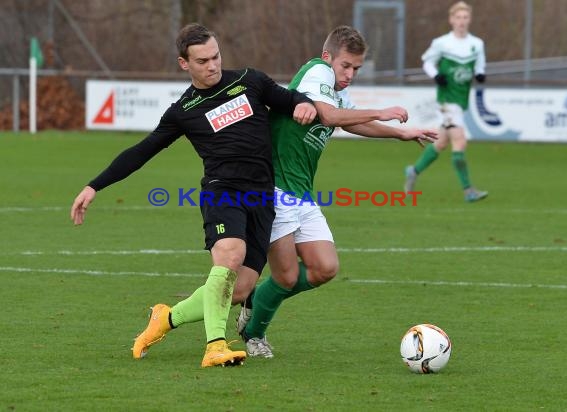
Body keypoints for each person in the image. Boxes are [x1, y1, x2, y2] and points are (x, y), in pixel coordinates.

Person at [70, 23, 317, 368]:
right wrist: (93, 185)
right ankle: (216, 346)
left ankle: (165, 318)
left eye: (215, 56)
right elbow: (141, 152)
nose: (212, 65)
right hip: (222, 192)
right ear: (184, 64)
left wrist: (304, 103)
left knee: (241, 289)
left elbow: (289, 99)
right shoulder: (184, 111)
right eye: (202, 61)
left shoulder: (250, 80)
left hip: (261, 198)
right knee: (231, 254)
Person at [236, 25, 439, 358]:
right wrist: (381, 110)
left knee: (324, 269)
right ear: (328, 57)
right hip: (273, 187)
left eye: (356, 68)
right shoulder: (317, 71)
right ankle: (254, 333)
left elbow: (348, 120)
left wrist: (399, 134)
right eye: (345, 66)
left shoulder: (335, 89)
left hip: (301, 191)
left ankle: (256, 299)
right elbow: (329, 116)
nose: (350, 74)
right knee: (285, 277)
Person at [404, 1, 488, 202]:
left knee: (441, 143)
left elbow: (480, 65)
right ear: (451, 20)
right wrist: (435, 75)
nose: (461, 21)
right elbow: (427, 62)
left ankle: (413, 171)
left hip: (461, 99)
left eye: (465, 17)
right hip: (447, 99)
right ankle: (468, 191)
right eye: (458, 17)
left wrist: (480, 74)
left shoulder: (477, 44)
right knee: (460, 141)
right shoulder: (442, 42)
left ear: (470, 19)